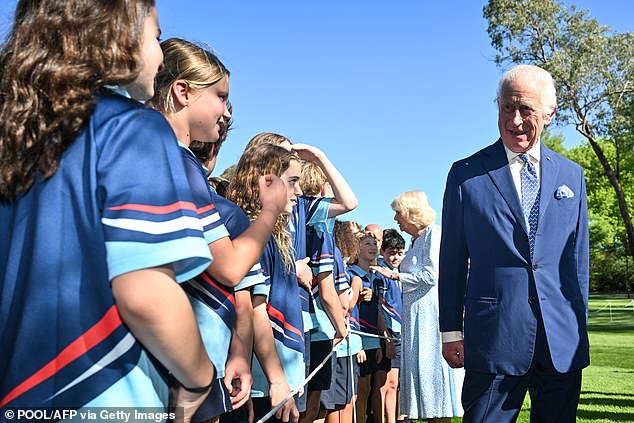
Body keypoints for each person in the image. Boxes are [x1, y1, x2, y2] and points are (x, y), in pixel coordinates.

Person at [0, 1, 213, 421]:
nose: (159, 52)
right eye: (155, 36)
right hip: (105, 394)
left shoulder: (15, 138)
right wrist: (199, 377)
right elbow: (144, 290)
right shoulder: (132, 126)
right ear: (118, 35)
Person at [149, 38, 291, 422]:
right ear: (182, 92)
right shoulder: (177, 160)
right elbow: (228, 268)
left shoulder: (149, 151)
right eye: (221, 97)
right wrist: (269, 213)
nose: (226, 112)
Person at [438, 64, 590, 422]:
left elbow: (577, 261)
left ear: (550, 113)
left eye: (526, 110)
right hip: (493, 339)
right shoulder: (466, 174)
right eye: (508, 107)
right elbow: (452, 262)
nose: (516, 120)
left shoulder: (572, 175)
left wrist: (577, 329)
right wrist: (450, 330)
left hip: (560, 342)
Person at [226, 143, 306, 423]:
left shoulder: (276, 235)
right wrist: (276, 380)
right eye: (293, 182)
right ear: (267, 181)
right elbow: (252, 311)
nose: (298, 192)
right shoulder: (252, 233)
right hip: (263, 383)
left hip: (279, 375)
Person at [372, 191, 463, 422]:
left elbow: (431, 276)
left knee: (432, 379)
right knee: (419, 379)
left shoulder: (433, 233)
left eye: (398, 213)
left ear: (412, 212)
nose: (395, 219)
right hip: (414, 317)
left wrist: (394, 277)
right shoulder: (415, 242)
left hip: (429, 317)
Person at [373, 229, 405, 423]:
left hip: (402, 330)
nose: (395, 257)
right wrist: (386, 338)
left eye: (399, 253)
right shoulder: (381, 274)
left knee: (398, 382)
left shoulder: (400, 272)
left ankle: (400, 417)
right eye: (391, 253)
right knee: (387, 383)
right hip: (389, 332)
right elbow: (378, 308)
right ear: (383, 252)